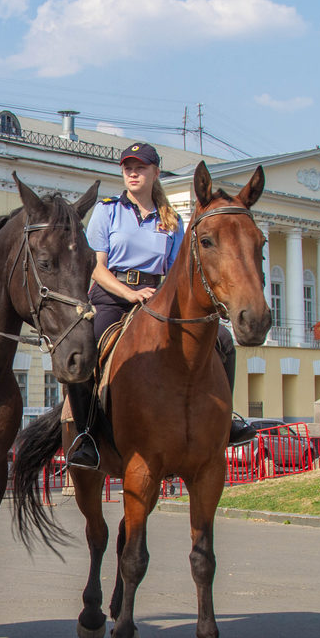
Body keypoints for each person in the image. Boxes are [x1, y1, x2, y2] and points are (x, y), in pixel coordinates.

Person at [67, 142, 256, 469]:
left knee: (223, 341)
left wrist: (166, 298)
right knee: (82, 349)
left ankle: (226, 420)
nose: (133, 173)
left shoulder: (171, 220)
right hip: (111, 296)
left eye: (140, 167)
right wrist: (128, 293)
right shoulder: (107, 210)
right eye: (128, 167)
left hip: (159, 297)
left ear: (155, 172)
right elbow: (95, 266)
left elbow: (179, 269)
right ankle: (85, 436)